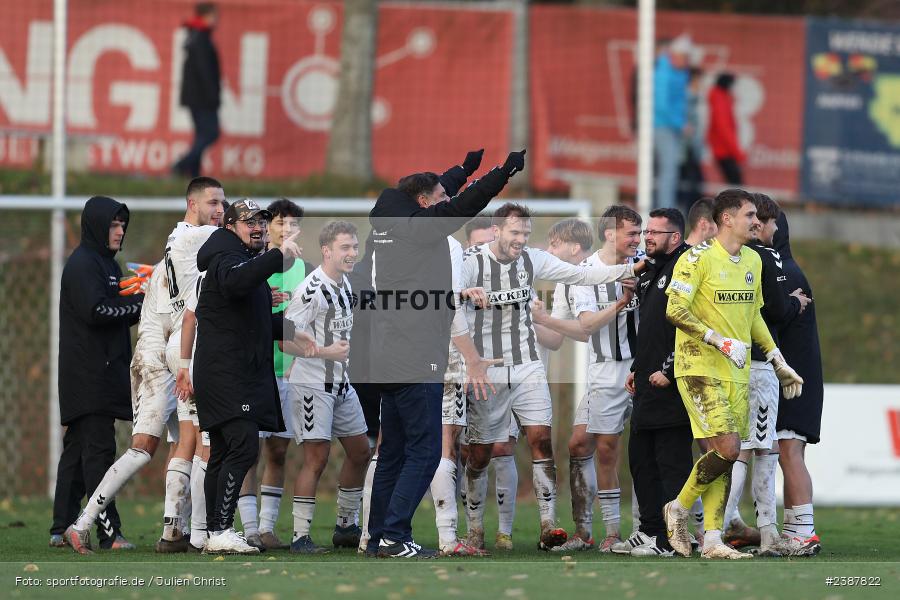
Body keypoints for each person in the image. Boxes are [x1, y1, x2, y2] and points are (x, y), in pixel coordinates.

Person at [365, 150, 527, 559]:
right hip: (415, 349)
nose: (446, 198)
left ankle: (378, 536)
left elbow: (444, 193)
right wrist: (502, 172)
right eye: (439, 195)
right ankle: (394, 536)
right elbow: (463, 204)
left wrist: (463, 170)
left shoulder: (390, 213)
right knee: (423, 452)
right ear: (424, 203)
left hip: (386, 352)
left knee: (394, 451)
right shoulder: (421, 229)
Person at [461, 203, 645, 552]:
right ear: (497, 230)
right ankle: (474, 532)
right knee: (482, 451)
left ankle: (548, 525)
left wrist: (630, 267)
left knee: (542, 440)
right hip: (488, 367)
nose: (522, 240)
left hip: (528, 364)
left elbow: (579, 275)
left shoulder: (532, 259)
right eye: (515, 233)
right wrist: (463, 295)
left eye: (526, 234)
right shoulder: (472, 261)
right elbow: (446, 298)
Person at [662, 189, 803, 559]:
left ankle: (712, 540)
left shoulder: (753, 261)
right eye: (750, 215)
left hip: (737, 373)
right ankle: (678, 507)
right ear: (726, 219)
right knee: (728, 448)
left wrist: (777, 358)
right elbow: (674, 309)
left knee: (722, 454)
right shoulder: (696, 259)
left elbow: (755, 315)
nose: (757, 222)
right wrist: (717, 340)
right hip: (697, 365)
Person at [192, 199, 310, 554]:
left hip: (227, 370)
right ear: (230, 226)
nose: (257, 227)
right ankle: (221, 528)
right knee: (243, 447)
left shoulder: (241, 258)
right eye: (248, 222)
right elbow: (235, 283)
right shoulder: (227, 258)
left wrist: (288, 329)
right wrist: (276, 256)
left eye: (261, 221)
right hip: (227, 372)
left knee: (225, 450)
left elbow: (250, 318)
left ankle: (214, 531)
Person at [534, 208, 643, 552]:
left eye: (555, 244)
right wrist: (531, 319)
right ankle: (593, 532)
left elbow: (583, 329)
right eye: (632, 233)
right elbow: (576, 332)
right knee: (584, 445)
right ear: (610, 234)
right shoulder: (582, 276)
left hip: (645, 366)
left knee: (649, 448)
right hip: (606, 369)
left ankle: (657, 528)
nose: (638, 240)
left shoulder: (643, 265)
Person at [722, 193, 812, 557]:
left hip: (728, 361)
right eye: (756, 218)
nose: (760, 225)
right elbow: (774, 309)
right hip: (759, 366)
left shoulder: (726, 257)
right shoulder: (765, 254)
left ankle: (722, 526)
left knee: (738, 447)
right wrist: (795, 303)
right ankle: (756, 529)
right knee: (759, 448)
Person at [58, 196, 144, 554]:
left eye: (122, 224)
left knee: (78, 451)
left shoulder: (108, 264)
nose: (120, 230)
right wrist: (141, 303)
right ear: (95, 226)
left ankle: (60, 525)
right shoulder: (83, 264)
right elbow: (96, 311)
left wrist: (141, 301)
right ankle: (110, 533)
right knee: (99, 453)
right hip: (88, 375)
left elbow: (117, 311)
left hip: (102, 373)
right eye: (113, 224)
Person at [281, 221, 371, 553]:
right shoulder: (311, 290)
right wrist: (322, 351)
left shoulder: (345, 283)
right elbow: (285, 340)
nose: (351, 253)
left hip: (340, 382)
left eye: (354, 247)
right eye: (345, 247)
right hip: (312, 384)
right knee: (316, 458)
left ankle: (346, 528)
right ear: (326, 250)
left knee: (361, 451)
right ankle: (299, 537)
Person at [236, 198, 315, 551]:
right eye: (279, 224)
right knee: (247, 451)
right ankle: (249, 528)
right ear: (268, 229)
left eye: (292, 225)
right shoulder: (253, 265)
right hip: (254, 372)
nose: (285, 231)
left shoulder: (308, 270)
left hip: (291, 374)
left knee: (279, 451)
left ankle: (267, 528)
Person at [614, 208, 691, 558]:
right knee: (640, 458)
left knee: (671, 462)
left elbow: (691, 326)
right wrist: (638, 366)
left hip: (671, 384)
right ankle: (649, 530)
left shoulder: (687, 265)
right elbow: (653, 329)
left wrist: (670, 370)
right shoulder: (654, 268)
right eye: (646, 231)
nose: (647, 237)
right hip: (646, 379)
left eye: (655, 233)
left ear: (675, 237)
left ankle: (671, 540)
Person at [773, 210, 824, 556]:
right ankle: (795, 530)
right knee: (787, 452)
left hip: (795, 379)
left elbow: (772, 316)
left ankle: (804, 531)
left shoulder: (786, 274)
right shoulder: (787, 270)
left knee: (790, 452)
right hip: (797, 376)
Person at [172, 2, 221, 178]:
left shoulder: (196, 35)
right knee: (211, 133)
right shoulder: (200, 37)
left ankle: (194, 174)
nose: (217, 19)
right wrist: (213, 97)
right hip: (202, 98)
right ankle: (180, 165)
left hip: (197, 96)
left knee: (202, 134)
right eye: (214, 15)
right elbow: (204, 71)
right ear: (206, 16)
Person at [653, 35, 691, 209]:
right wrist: (680, 124)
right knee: (668, 170)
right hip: (661, 126)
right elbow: (661, 104)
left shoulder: (681, 72)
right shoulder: (663, 73)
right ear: (675, 56)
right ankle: (664, 210)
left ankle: (663, 207)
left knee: (670, 170)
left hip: (672, 127)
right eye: (685, 58)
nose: (687, 61)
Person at [707, 72, 745, 185]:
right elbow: (724, 129)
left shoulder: (720, 99)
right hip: (724, 150)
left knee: (734, 185)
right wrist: (737, 152)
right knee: (737, 186)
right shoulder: (721, 101)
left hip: (723, 149)